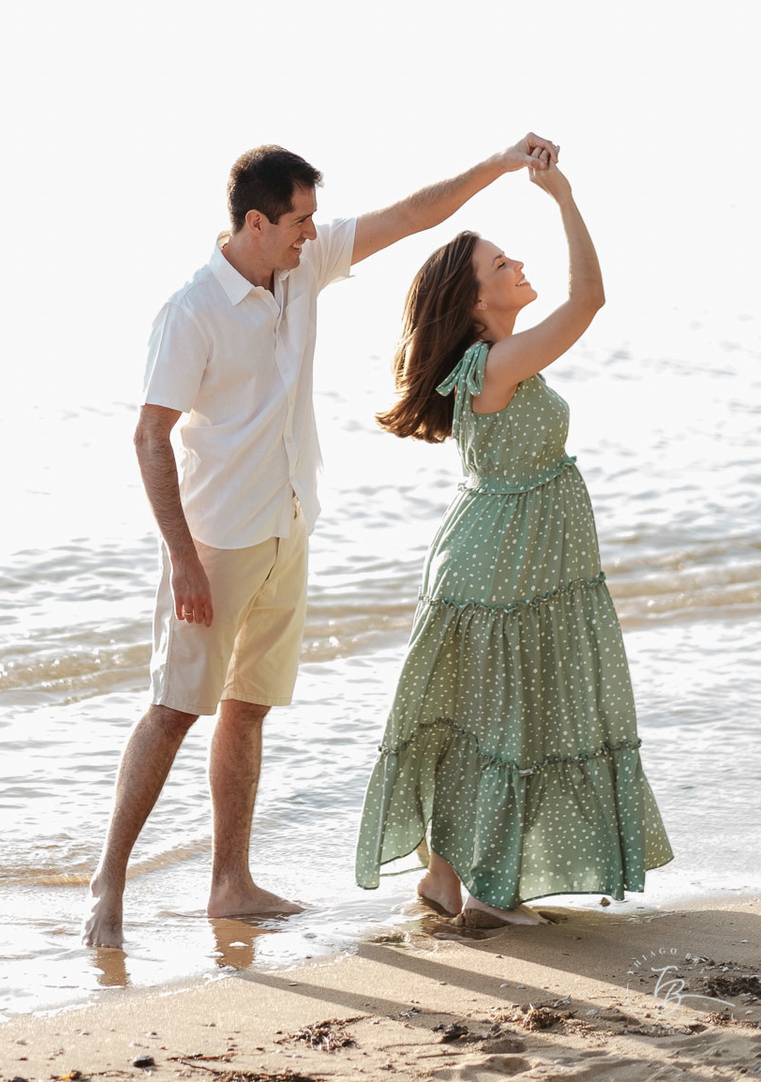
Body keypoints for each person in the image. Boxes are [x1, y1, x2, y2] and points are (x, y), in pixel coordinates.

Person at [82, 133, 560, 951]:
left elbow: (410, 217)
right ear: (257, 221)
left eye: (313, 219)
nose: (313, 232)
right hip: (216, 544)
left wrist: (497, 165)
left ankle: (229, 884)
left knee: (248, 708)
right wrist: (182, 559)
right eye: (300, 219)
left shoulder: (300, 269)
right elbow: (149, 438)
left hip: (287, 524)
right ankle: (109, 883)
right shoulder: (190, 311)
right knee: (172, 711)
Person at [355, 158, 672, 926]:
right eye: (501, 264)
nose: (517, 264)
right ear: (474, 301)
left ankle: (444, 880)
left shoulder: (492, 364)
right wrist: (563, 195)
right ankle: (493, 897)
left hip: (501, 562)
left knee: (482, 722)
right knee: (504, 723)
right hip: (501, 569)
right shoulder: (494, 363)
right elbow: (589, 299)